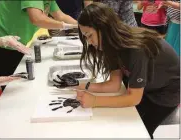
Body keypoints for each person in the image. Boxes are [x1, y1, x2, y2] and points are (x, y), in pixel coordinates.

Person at [74, 3, 180, 139]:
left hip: (166, 92)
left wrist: (94, 100)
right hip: (146, 86)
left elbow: (134, 98)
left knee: (140, 130)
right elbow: (114, 84)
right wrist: (81, 85)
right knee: (124, 121)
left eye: (89, 35)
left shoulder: (137, 49)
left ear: (103, 28)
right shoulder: (110, 45)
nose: (89, 42)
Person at [0, 1, 78, 79]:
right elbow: (36, 18)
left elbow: (60, 16)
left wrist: (81, 26)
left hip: (20, 43)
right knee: (13, 86)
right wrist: (64, 26)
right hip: (5, 42)